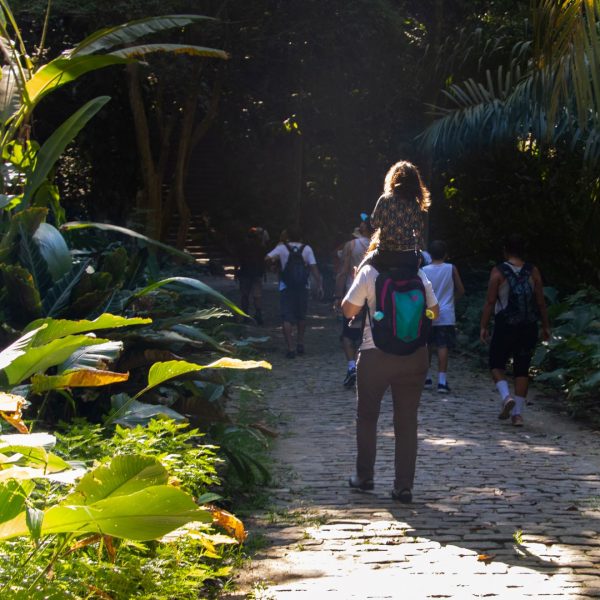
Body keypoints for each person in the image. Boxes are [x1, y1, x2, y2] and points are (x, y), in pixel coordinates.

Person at [342, 162, 439, 503]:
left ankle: (364, 477)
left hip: (375, 355)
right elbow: (435, 311)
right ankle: (403, 486)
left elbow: (348, 310)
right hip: (414, 356)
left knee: (367, 417)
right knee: (407, 423)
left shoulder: (371, 270)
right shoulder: (419, 273)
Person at [480, 234, 551, 426]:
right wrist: (545, 325)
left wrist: (483, 326)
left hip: (505, 325)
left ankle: (506, 397)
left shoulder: (498, 271)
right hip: (528, 326)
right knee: (522, 368)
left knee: (496, 363)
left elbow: (490, 301)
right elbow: (540, 302)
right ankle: (517, 414)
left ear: (505, 250)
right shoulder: (533, 271)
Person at [266, 226, 324, 358]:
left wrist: (275, 266)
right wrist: (319, 285)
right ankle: (300, 343)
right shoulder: (307, 249)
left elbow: (267, 258)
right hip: (303, 286)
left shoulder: (282, 248)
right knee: (301, 316)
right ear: (301, 237)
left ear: (288, 237)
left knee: (286, 317)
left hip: (286, 286)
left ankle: (290, 348)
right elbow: (314, 268)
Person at [334, 215, 373, 388]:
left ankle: (352, 367)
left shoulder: (351, 245)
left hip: (354, 292)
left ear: (364, 227)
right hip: (375, 294)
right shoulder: (381, 246)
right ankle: (364, 369)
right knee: (369, 333)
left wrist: (338, 295)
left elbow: (343, 271)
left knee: (348, 333)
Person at [370, 160, 431, 271]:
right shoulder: (415, 204)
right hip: (408, 257)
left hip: (384, 255)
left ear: (394, 178)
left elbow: (374, 223)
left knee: (362, 268)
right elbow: (418, 232)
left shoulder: (385, 199)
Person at [422, 240, 465, 393]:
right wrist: (452, 299)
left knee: (427, 345)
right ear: (445, 254)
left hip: (428, 313)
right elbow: (461, 290)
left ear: (430, 254)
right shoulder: (451, 268)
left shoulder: (424, 270)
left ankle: (426, 378)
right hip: (446, 313)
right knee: (443, 346)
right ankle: (442, 381)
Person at [235, 227, 266, 324]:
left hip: (245, 273)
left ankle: (245, 315)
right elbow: (263, 260)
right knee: (257, 295)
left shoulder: (242, 246)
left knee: (245, 295)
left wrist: (236, 271)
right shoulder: (261, 247)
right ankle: (258, 314)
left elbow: (238, 260)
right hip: (257, 273)